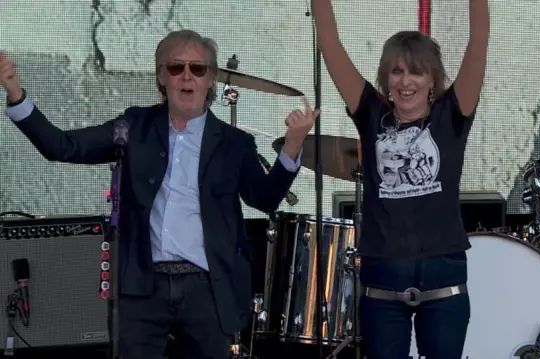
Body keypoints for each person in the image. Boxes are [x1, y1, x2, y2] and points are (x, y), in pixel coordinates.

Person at [0, 29, 319, 359]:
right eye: (175, 67)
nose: (186, 77)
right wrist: (15, 92)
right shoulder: (134, 127)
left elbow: (263, 199)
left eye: (197, 69)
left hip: (207, 288)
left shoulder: (233, 144)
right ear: (161, 77)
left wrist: (292, 145)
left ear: (210, 80)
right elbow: (62, 147)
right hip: (142, 284)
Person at [311, 1, 489, 358]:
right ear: (385, 78)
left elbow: (479, 40)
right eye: (396, 71)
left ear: (433, 79)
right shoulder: (370, 113)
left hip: (443, 271)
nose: (406, 82)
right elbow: (329, 43)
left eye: (417, 72)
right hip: (383, 272)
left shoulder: (452, 114)